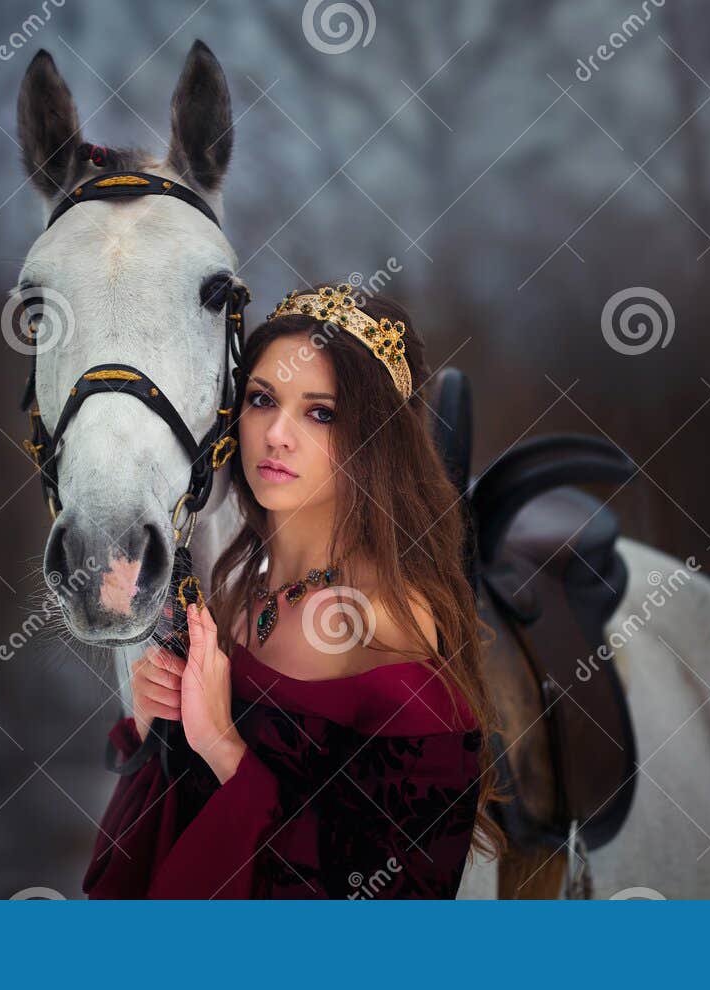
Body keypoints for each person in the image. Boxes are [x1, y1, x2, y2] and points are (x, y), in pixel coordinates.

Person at [83, 282, 504, 898]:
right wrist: (159, 729)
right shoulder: (236, 595)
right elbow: (148, 867)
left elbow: (392, 909)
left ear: (375, 441)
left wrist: (225, 748)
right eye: (261, 399)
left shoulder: (386, 626)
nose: (277, 434)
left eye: (320, 412)